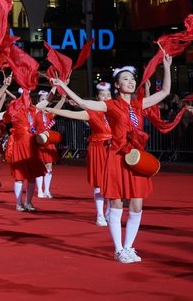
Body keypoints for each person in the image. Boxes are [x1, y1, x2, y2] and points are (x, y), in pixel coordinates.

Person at [51, 54, 173, 263]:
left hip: (136, 159)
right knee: (116, 203)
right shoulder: (110, 105)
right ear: (117, 85)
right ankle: (118, 249)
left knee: (136, 204)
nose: (131, 81)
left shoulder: (138, 104)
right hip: (117, 157)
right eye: (125, 79)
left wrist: (167, 67)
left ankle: (129, 247)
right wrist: (63, 85)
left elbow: (165, 92)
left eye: (132, 78)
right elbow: (81, 102)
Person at [38, 82, 113, 226]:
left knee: (112, 183)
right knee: (99, 183)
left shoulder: (116, 110)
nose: (107, 98)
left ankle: (110, 212)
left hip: (113, 149)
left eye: (109, 95)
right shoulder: (90, 113)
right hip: (99, 149)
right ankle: (100, 215)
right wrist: (52, 109)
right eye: (103, 95)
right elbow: (72, 113)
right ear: (97, 98)